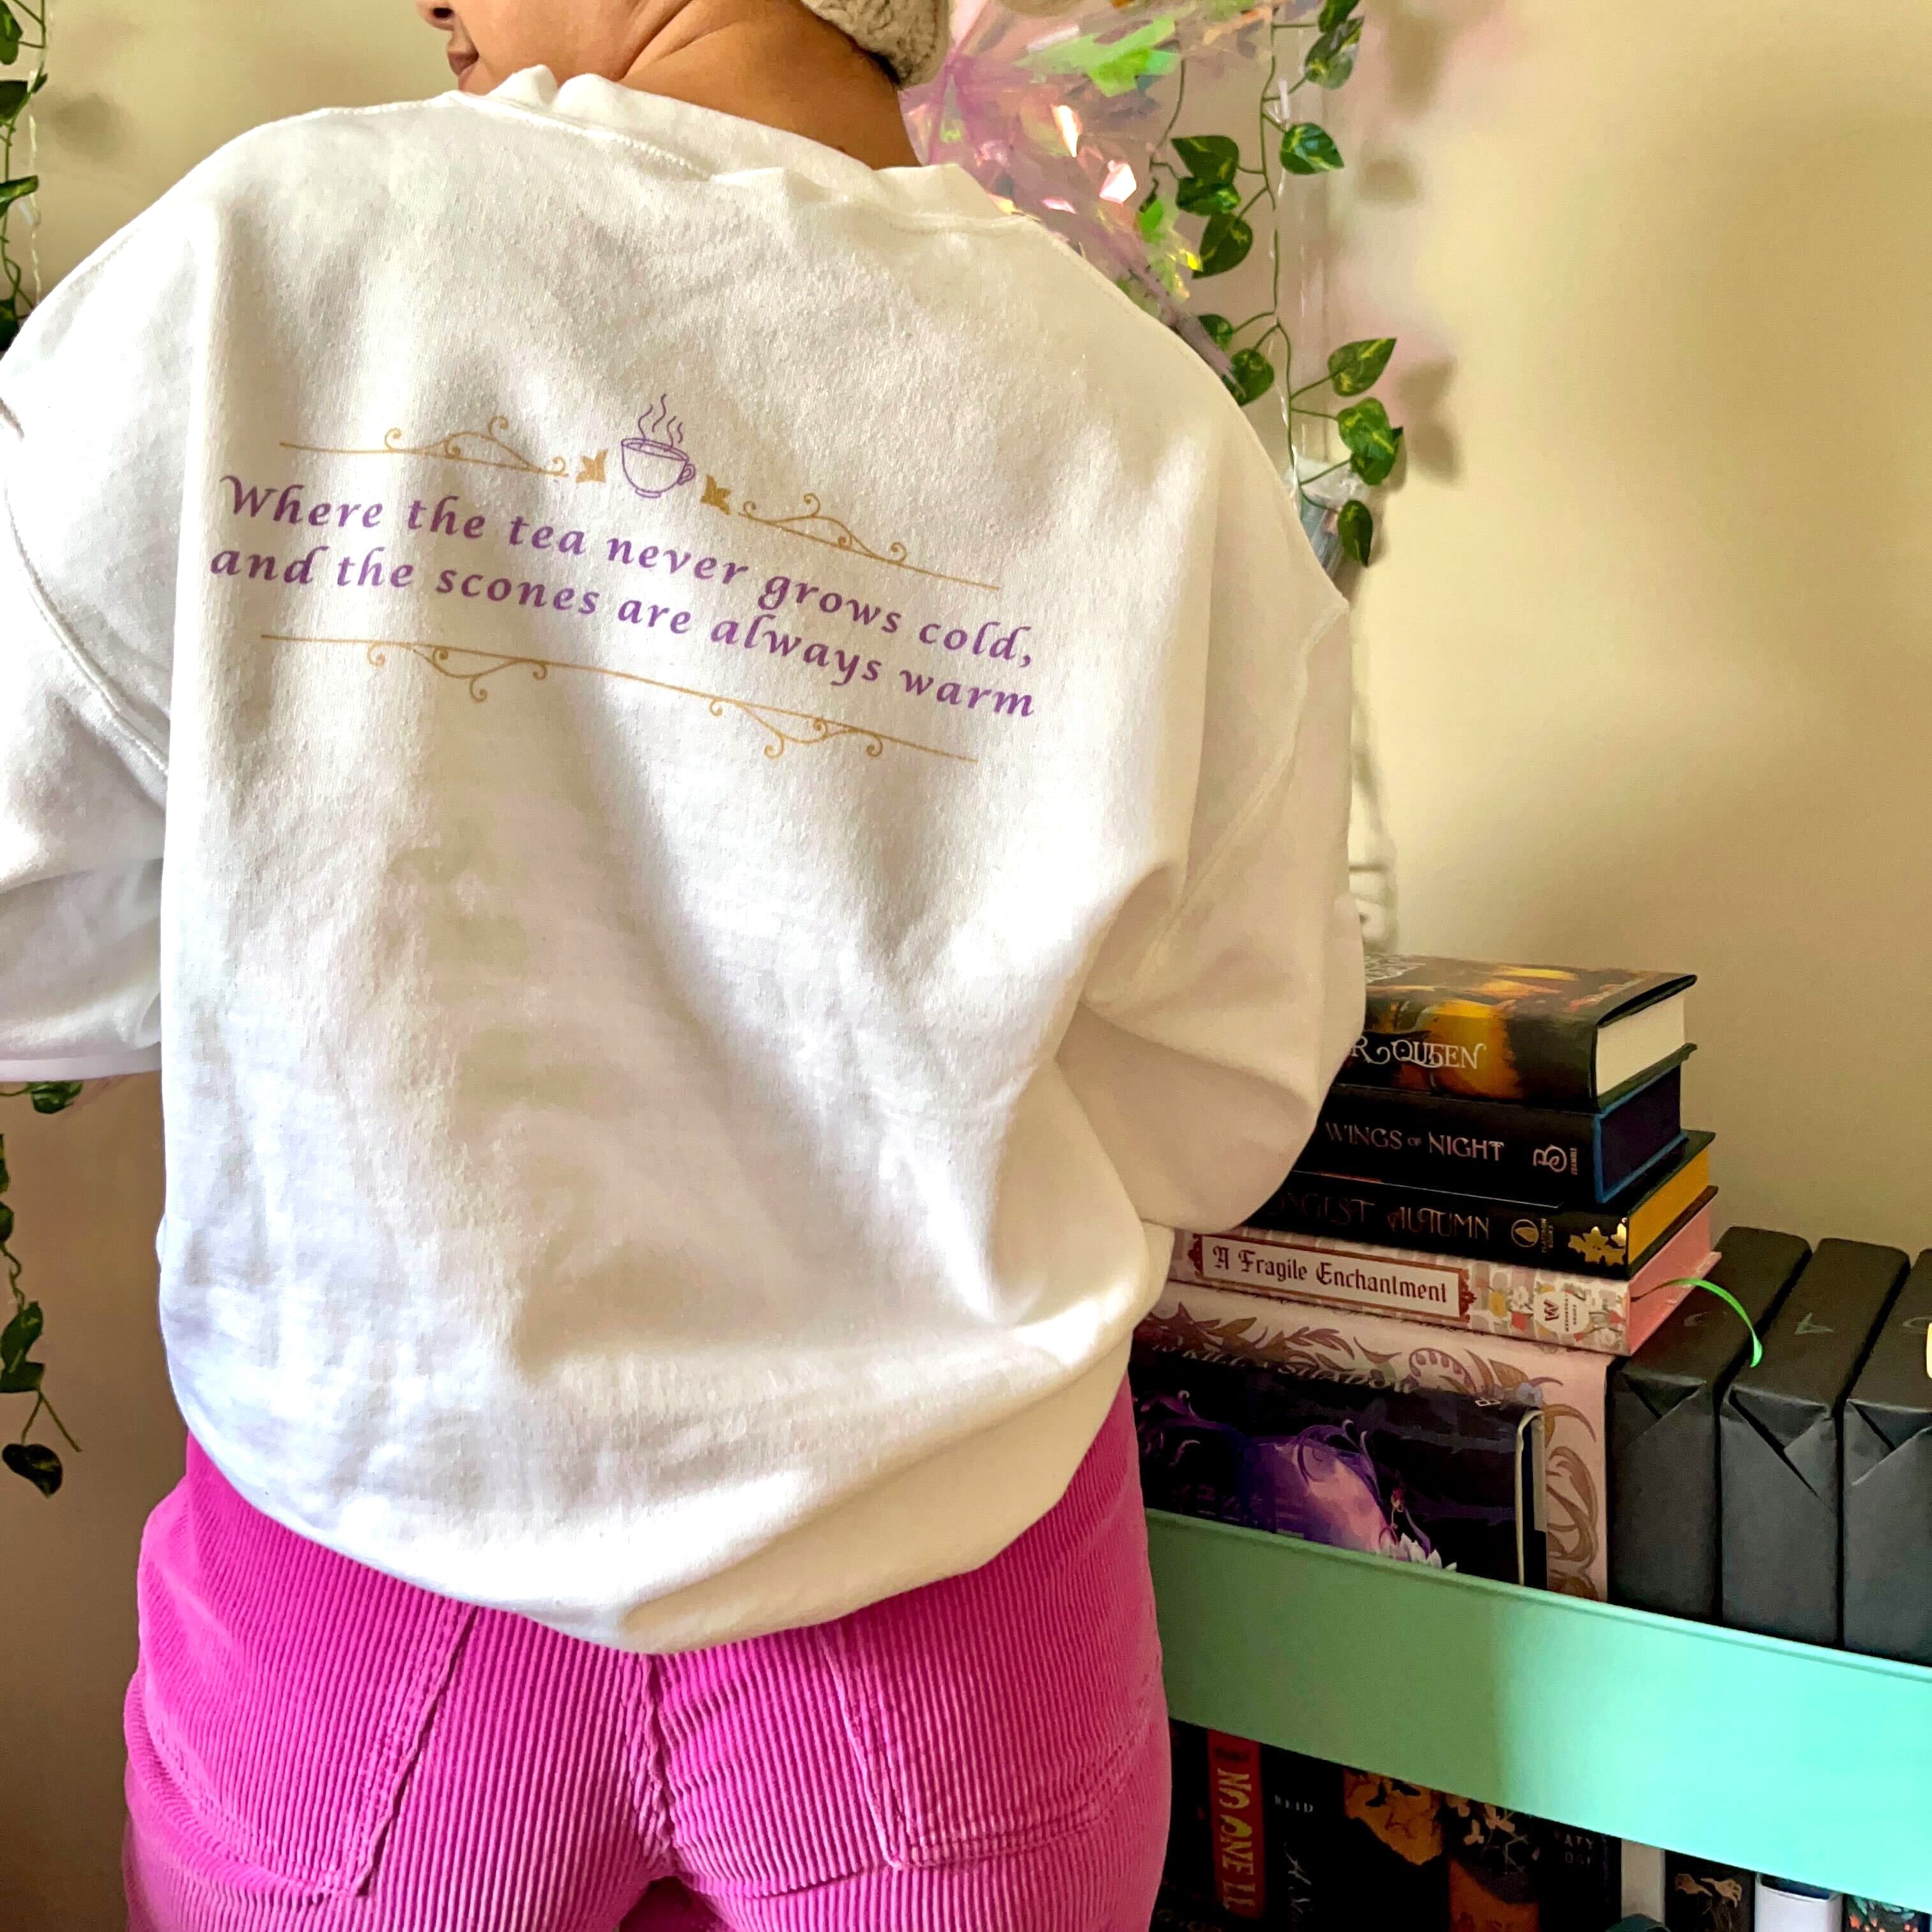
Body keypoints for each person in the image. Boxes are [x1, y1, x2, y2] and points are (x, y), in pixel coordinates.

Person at [0, 0, 1362, 1923]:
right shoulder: (1147, 428)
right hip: (944, 1610)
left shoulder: (266, 258)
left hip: (370, 1583)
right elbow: (1229, 1096)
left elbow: (20, 922)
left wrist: (323, 941)